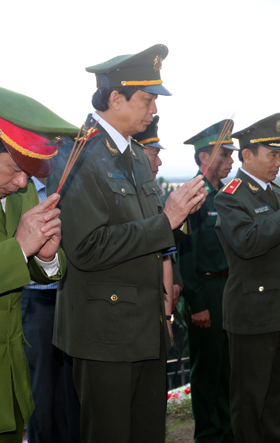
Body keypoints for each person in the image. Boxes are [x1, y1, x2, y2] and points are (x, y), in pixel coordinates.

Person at [50, 44, 206, 443]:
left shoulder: (136, 156)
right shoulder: (74, 154)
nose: (155, 109)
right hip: (104, 331)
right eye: (148, 99)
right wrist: (167, 220)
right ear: (115, 98)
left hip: (144, 325)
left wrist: (179, 216)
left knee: (148, 431)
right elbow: (85, 249)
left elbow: (153, 227)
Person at [214, 113, 280, 443]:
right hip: (252, 312)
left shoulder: (274, 193)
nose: (279, 162)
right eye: (273, 155)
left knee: (276, 395)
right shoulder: (230, 195)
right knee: (250, 399)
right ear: (247, 155)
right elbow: (247, 242)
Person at [0, 88, 68, 443]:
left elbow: (43, 268)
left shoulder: (17, 194)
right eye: (15, 169)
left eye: (28, 171)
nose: (23, 182)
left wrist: (45, 256)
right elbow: (15, 253)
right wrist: (20, 249)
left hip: (10, 379)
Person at [178, 120, 237, 443]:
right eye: (224, 154)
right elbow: (186, 254)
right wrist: (197, 303)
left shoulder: (224, 195)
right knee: (208, 369)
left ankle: (227, 429)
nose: (231, 160)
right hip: (207, 290)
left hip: (229, 288)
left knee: (227, 365)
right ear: (204, 158)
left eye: (231, 154)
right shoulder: (194, 196)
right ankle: (208, 434)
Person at [132, 115, 177, 344]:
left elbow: (165, 259)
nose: (158, 163)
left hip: (154, 311)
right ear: (136, 153)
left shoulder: (152, 197)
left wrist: (167, 317)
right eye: (154, 154)